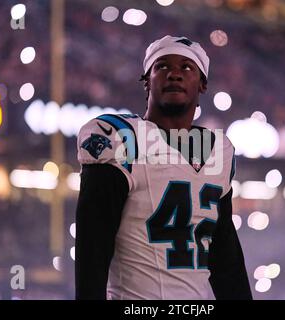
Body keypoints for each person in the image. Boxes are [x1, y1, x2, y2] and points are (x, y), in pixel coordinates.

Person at [75, 35, 252, 300]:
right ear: (146, 81)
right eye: (162, 66)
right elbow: (93, 247)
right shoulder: (123, 137)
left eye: (187, 67)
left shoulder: (220, 150)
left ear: (202, 84)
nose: (175, 75)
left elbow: (225, 257)